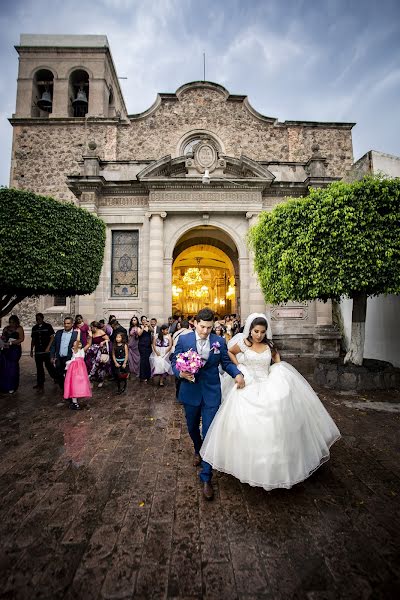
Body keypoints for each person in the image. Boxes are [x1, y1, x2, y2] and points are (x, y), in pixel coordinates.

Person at [200, 313, 341, 492]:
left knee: (276, 421)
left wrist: (278, 372)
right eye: (256, 331)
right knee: (247, 423)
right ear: (250, 330)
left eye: (262, 332)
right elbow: (230, 353)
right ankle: (250, 463)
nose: (259, 335)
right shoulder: (244, 343)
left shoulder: (269, 345)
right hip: (249, 384)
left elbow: (277, 361)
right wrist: (240, 368)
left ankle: (277, 465)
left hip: (267, 383)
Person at [171, 308, 245, 500]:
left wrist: (237, 373)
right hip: (190, 391)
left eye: (209, 327)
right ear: (195, 323)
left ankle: (206, 477)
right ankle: (197, 448)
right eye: (202, 327)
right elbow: (174, 360)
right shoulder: (185, 340)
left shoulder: (219, 342)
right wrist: (181, 373)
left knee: (210, 432)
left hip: (212, 393)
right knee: (192, 428)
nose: (205, 331)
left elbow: (226, 363)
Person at [50, 316, 79, 392]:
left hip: (70, 359)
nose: (66, 325)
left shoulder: (76, 334)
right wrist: (52, 356)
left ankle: (69, 391)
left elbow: (80, 346)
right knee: (59, 374)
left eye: (68, 323)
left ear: (72, 324)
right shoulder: (59, 333)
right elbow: (54, 345)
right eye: (65, 323)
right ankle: (63, 388)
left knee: (69, 376)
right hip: (60, 358)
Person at [30, 313, 56, 391]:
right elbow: (33, 340)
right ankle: (40, 383)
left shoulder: (48, 326)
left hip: (46, 351)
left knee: (49, 366)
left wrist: (48, 347)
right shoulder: (34, 328)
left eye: (39, 318)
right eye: (37, 319)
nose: (38, 320)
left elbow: (52, 337)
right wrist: (31, 349)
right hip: (38, 351)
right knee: (39, 368)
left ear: (42, 318)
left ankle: (56, 377)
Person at [64, 339, 92, 410]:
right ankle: (74, 402)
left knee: (80, 383)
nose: (78, 343)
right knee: (74, 384)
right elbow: (78, 340)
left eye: (79, 343)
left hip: (81, 369)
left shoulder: (82, 350)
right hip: (75, 369)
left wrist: (90, 336)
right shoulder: (75, 350)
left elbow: (89, 344)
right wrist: (79, 332)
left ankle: (75, 401)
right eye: (76, 343)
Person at [0, 315, 25, 394]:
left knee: (13, 368)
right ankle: (4, 386)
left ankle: (12, 386)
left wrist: (12, 342)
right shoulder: (6, 328)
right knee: (5, 367)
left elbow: (21, 339)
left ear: (16, 322)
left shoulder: (19, 329)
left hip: (15, 350)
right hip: (6, 349)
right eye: (10, 322)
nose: (11, 324)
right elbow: (3, 337)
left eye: (13, 322)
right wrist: (3, 340)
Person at [85, 321, 110, 387]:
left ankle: (101, 380)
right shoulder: (91, 333)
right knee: (90, 365)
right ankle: (91, 381)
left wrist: (103, 342)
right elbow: (89, 342)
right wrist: (89, 336)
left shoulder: (101, 332)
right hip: (92, 351)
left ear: (95, 327)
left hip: (99, 351)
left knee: (99, 365)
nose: (90, 328)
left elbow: (108, 339)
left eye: (91, 327)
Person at [171, 319, 191, 400]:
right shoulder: (190, 333)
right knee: (185, 375)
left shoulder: (176, 333)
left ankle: (177, 394)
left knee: (178, 375)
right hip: (185, 356)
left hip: (175, 354)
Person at [137, 317, 152, 383]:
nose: (144, 321)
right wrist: (143, 327)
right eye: (143, 320)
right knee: (143, 360)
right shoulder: (139, 327)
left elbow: (153, 331)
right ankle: (142, 377)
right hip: (142, 346)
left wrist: (149, 325)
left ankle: (148, 375)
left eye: (145, 320)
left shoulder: (148, 327)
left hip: (148, 346)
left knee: (147, 360)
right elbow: (139, 334)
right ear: (141, 321)